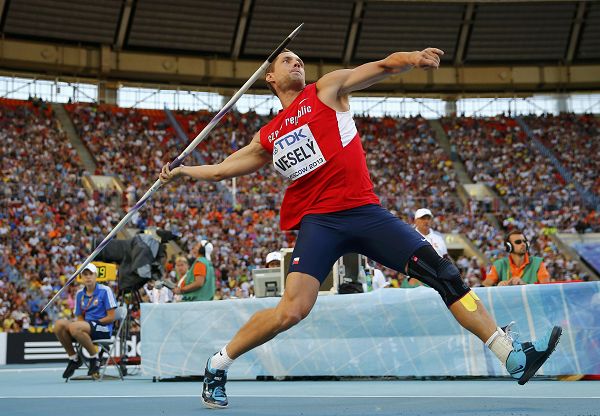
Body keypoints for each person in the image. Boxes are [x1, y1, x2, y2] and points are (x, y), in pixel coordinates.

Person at [160, 48, 561, 409]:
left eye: (300, 58)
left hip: (366, 214)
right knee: (291, 311)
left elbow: (383, 66)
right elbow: (222, 169)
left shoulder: (326, 89)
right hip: (320, 223)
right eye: (287, 60)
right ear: (270, 78)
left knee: (444, 273)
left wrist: (413, 59)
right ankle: (217, 363)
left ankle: (511, 357)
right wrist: (181, 172)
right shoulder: (267, 135)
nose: (297, 62)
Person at [53, 263, 117, 379]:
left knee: (75, 327)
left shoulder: (105, 290)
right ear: (81, 277)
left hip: (103, 327)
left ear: (96, 276)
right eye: (85, 274)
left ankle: (95, 357)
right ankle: (74, 358)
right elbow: (80, 317)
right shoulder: (79, 294)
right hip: (85, 328)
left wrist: (92, 323)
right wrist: (83, 325)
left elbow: (111, 317)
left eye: (90, 274)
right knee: (59, 325)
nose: (88, 277)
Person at [483, 230, 550, 287]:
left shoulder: (537, 263)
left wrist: (524, 285)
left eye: (524, 241)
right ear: (509, 247)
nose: (523, 244)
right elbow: (485, 286)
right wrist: (498, 287)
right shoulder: (499, 264)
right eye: (518, 242)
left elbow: (545, 288)